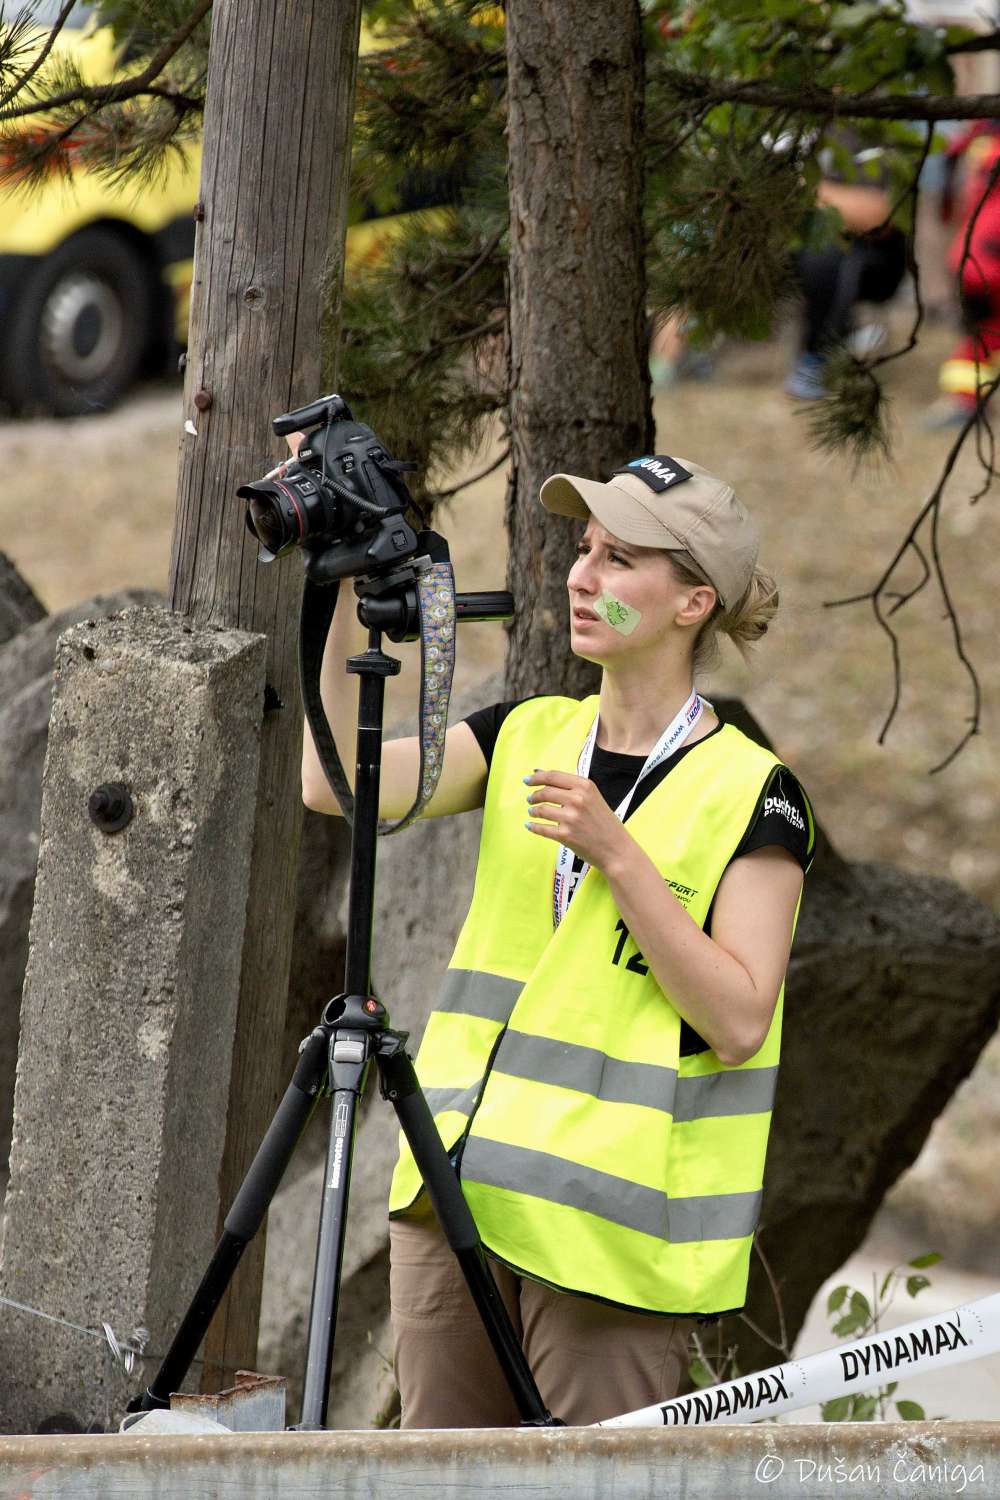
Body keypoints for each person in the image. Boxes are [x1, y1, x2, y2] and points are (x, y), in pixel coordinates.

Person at [300, 450, 814, 1428]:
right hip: (453, 1207)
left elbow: (740, 1020)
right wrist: (330, 595)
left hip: (609, 1246)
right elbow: (333, 783)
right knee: (440, 1492)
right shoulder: (529, 733)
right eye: (585, 549)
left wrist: (618, 855)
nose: (582, 577)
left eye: (620, 560)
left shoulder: (754, 794)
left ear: (693, 603)